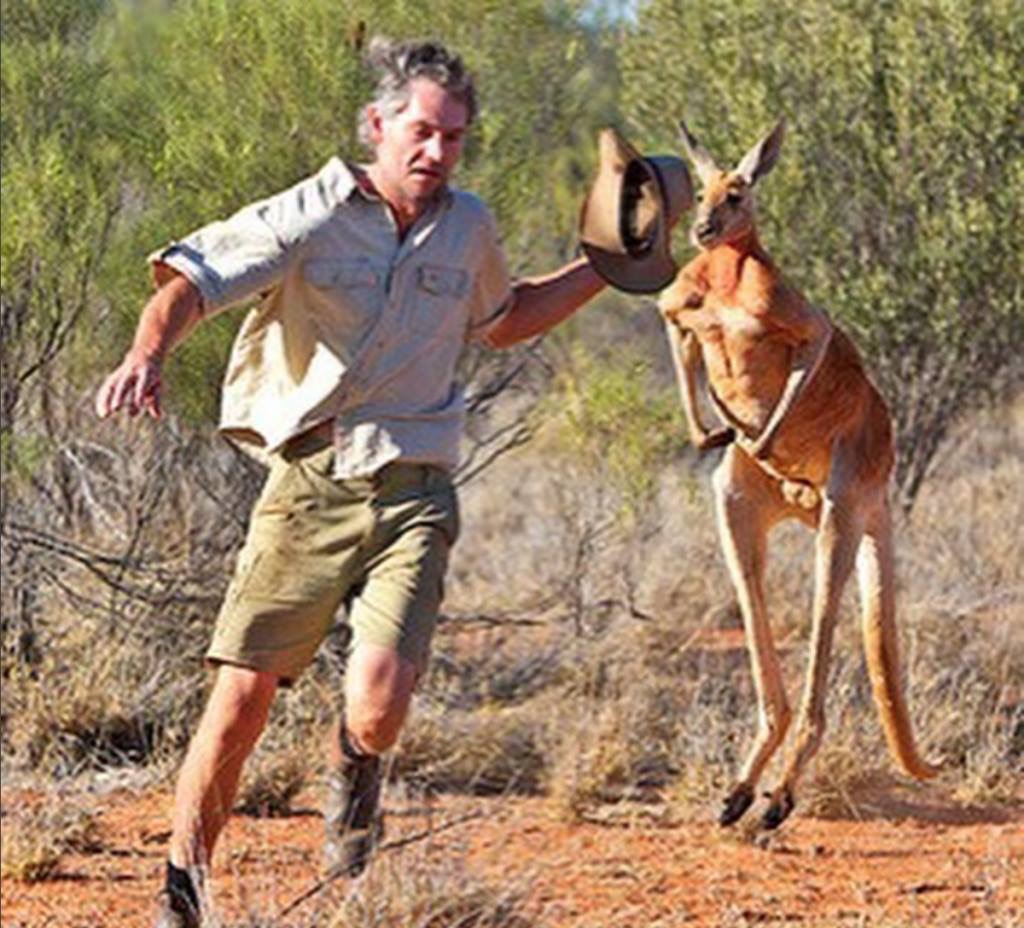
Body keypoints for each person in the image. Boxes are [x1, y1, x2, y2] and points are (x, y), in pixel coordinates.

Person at [95, 38, 611, 928]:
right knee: (243, 697)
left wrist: (608, 267)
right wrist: (148, 353)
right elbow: (191, 278)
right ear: (378, 124)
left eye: (454, 137)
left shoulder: (469, 227)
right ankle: (184, 884)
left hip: (416, 488)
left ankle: (354, 765)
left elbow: (504, 317)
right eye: (422, 131)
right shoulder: (312, 213)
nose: (436, 151)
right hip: (312, 482)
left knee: (378, 703)